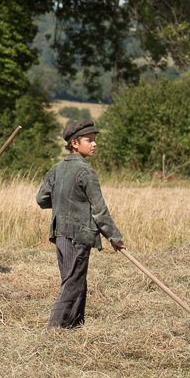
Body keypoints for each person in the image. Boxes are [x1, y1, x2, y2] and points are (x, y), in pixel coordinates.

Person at [36, 119, 124, 329]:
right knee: (72, 284)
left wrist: (61, 203)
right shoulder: (86, 172)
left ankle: (75, 325)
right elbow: (100, 211)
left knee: (74, 280)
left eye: (95, 141)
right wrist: (114, 236)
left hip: (60, 235)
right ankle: (54, 330)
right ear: (74, 143)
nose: (94, 144)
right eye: (89, 140)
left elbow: (41, 199)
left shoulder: (56, 169)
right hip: (78, 235)